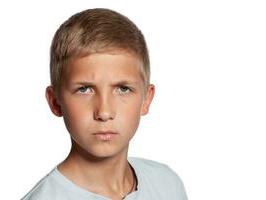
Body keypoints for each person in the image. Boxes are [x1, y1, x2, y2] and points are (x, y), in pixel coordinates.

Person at [21, 8, 188, 200]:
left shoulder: (167, 184)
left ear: (146, 99)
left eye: (123, 89)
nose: (104, 112)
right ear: (55, 102)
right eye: (84, 89)